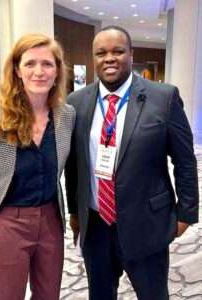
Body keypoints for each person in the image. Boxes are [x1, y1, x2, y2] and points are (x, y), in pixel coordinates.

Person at [65, 26, 199, 300]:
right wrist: (74, 212)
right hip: (97, 226)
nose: (109, 58)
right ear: (94, 58)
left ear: (131, 53)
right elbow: (73, 165)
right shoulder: (76, 102)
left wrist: (186, 213)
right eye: (101, 53)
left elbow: (184, 160)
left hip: (147, 224)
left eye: (118, 51)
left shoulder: (163, 97)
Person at [0, 33, 75, 300]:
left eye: (47, 64)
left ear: (57, 72)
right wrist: (9, 213)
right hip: (8, 223)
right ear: (17, 70)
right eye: (30, 64)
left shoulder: (67, 116)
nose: (39, 72)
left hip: (51, 221)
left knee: (48, 295)